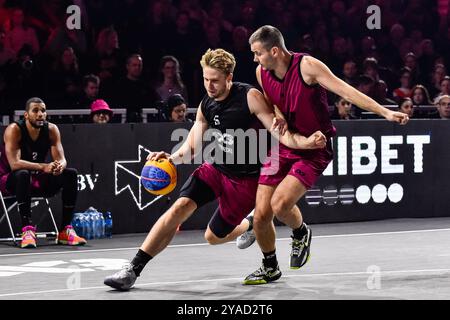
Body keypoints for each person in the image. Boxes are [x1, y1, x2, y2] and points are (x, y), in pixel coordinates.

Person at [104, 48, 326, 291]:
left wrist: (304, 143)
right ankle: (132, 269)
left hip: (248, 181)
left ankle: (252, 225)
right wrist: (171, 158)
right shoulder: (206, 104)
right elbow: (191, 147)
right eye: (206, 79)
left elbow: (278, 132)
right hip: (216, 169)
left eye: (215, 80)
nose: (209, 85)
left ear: (229, 77)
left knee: (212, 237)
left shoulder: (250, 97)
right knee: (179, 207)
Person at [244, 25, 409, 285]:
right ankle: (269, 267)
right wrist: (279, 117)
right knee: (262, 215)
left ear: (274, 51)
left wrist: (385, 112)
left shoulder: (307, 66)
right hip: (287, 145)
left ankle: (300, 233)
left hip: (315, 150)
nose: (254, 58)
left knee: (279, 206)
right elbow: (273, 101)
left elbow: (346, 91)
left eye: (257, 53)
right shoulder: (261, 72)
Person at [0, 97, 86, 248]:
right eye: (35, 111)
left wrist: (59, 166)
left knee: (70, 174)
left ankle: (65, 230)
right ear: (26, 115)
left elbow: (62, 159)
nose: (40, 114)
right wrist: (43, 166)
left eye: (43, 111)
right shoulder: (14, 130)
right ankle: (27, 230)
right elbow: (14, 164)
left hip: (37, 179)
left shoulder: (52, 129)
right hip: (9, 180)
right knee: (23, 174)